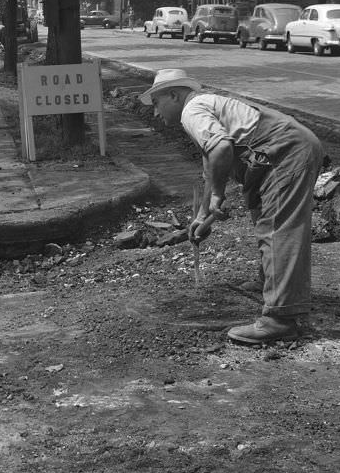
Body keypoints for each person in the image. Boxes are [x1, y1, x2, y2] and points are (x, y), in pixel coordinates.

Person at [139, 69, 325, 344]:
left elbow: (221, 150)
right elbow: (211, 165)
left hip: (285, 153)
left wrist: (217, 195)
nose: (156, 113)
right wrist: (203, 213)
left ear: (174, 95)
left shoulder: (192, 110)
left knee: (278, 228)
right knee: (266, 219)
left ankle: (280, 319)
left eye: (156, 103)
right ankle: (270, 285)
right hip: (281, 152)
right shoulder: (207, 105)